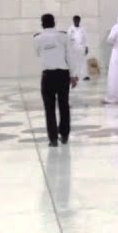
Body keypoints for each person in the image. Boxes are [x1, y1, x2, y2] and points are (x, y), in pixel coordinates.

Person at [33, 14, 78, 146]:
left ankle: (53, 139)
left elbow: (37, 53)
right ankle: (64, 135)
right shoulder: (63, 36)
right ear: (54, 23)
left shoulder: (37, 39)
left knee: (49, 108)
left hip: (48, 76)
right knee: (64, 105)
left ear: (42, 24)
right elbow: (70, 56)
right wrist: (73, 75)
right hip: (63, 75)